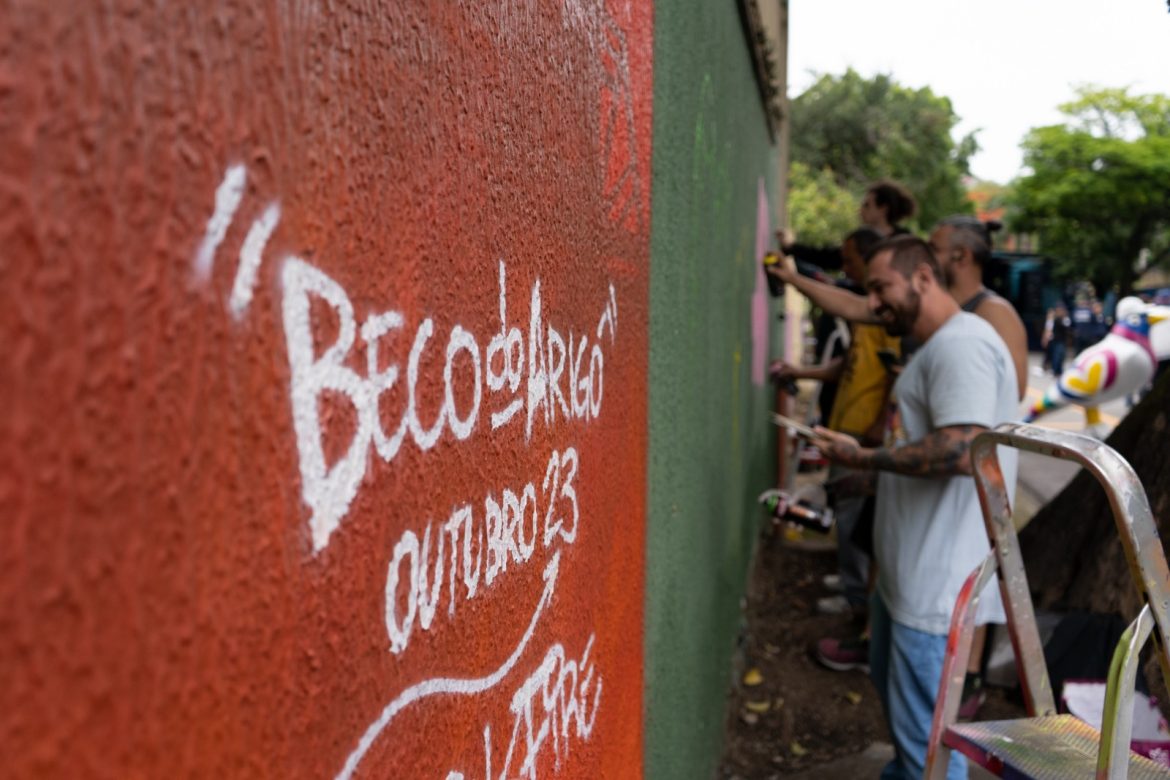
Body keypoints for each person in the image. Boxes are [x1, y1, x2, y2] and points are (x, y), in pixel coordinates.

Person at [809, 235, 1018, 780]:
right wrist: (860, 460)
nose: (873, 302)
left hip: (936, 592)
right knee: (914, 744)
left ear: (923, 276)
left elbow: (960, 447)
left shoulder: (961, 346)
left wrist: (869, 457)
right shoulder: (936, 347)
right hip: (909, 584)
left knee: (932, 752)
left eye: (881, 287)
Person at [770, 227, 897, 618]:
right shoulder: (868, 310)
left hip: (864, 430)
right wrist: (803, 370)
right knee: (845, 505)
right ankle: (850, 582)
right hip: (847, 422)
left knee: (855, 512)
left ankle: (855, 594)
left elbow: (895, 371)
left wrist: (879, 423)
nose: (845, 267)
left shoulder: (887, 315)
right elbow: (847, 366)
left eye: (849, 259)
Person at [780, 180, 917, 271]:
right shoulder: (861, 239)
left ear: (883, 209)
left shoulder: (904, 243)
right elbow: (829, 257)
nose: (861, 210)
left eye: (867, 205)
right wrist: (792, 247)